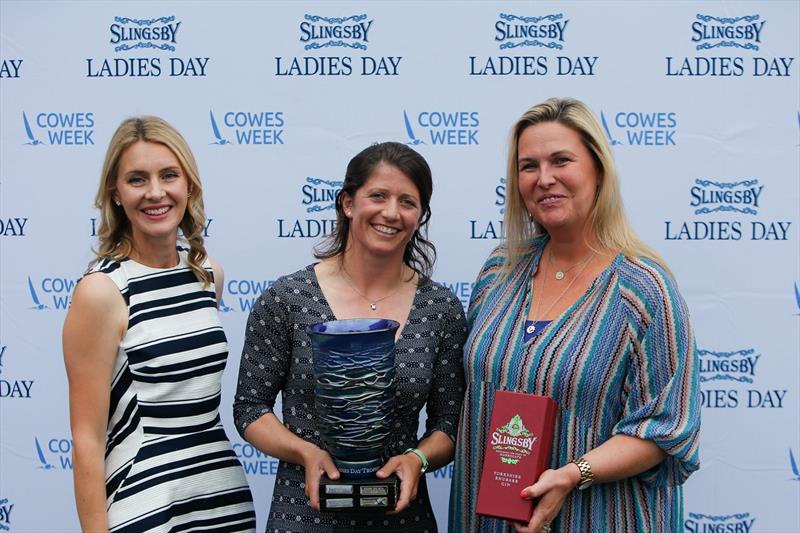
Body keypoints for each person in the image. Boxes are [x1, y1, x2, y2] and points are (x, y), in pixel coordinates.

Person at [449, 98, 700, 533]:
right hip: (488, 519)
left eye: (561, 160)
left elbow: (666, 430)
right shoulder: (499, 270)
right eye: (529, 166)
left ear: (598, 170)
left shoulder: (642, 290)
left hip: (598, 518)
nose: (544, 178)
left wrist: (572, 474)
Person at [233, 141, 467, 532]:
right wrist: (304, 452)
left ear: (420, 216)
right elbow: (249, 408)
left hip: (403, 520)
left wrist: (417, 459)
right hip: (302, 517)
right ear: (347, 203)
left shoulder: (439, 307)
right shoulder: (289, 298)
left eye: (407, 202)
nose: (391, 213)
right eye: (378, 196)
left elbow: (451, 420)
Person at [63, 116, 256, 532]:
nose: (156, 192)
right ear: (115, 193)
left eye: (169, 175)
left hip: (220, 495)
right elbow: (87, 441)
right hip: (143, 501)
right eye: (137, 179)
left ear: (189, 185)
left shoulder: (208, 274)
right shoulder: (102, 292)